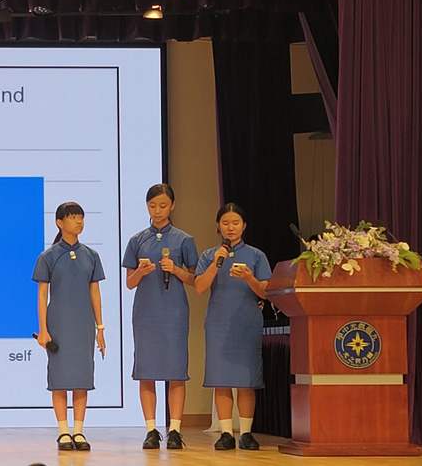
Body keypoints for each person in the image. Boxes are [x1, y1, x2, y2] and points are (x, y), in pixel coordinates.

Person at [121, 184, 198, 450]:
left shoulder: (184, 240)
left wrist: (175, 270)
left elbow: (195, 279)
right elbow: (129, 283)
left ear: (172, 206)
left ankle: (175, 430)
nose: (157, 210)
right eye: (152, 205)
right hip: (146, 312)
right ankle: (151, 429)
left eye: (163, 205)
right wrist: (140, 272)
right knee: (147, 371)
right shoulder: (137, 240)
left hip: (174, 311)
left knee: (176, 371)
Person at [194, 203, 271, 451]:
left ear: (244, 226)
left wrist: (249, 278)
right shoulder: (209, 255)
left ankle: (246, 433)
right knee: (222, 379)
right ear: (218, 226)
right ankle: (226, 433)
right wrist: (216, 263)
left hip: (247, 322)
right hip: (219, 323)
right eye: (225, 223)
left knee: (247, 380)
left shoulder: (256, 255)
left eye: (235, 223)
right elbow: (199, 287)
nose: (230, 227)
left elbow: (266, 292)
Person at [32, 202, 106, 451]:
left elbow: (95, 292)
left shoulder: (91, 256)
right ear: (59, 223)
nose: (79, 222)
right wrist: (43, 329)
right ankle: (63, 431)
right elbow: (42, 295)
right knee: (60, 378)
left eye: (81, 217)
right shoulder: (48, 257)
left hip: (83, 325)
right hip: (59, 325)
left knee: (82, 378)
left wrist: (100, 327)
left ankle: (79, 431)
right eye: (73, 217)